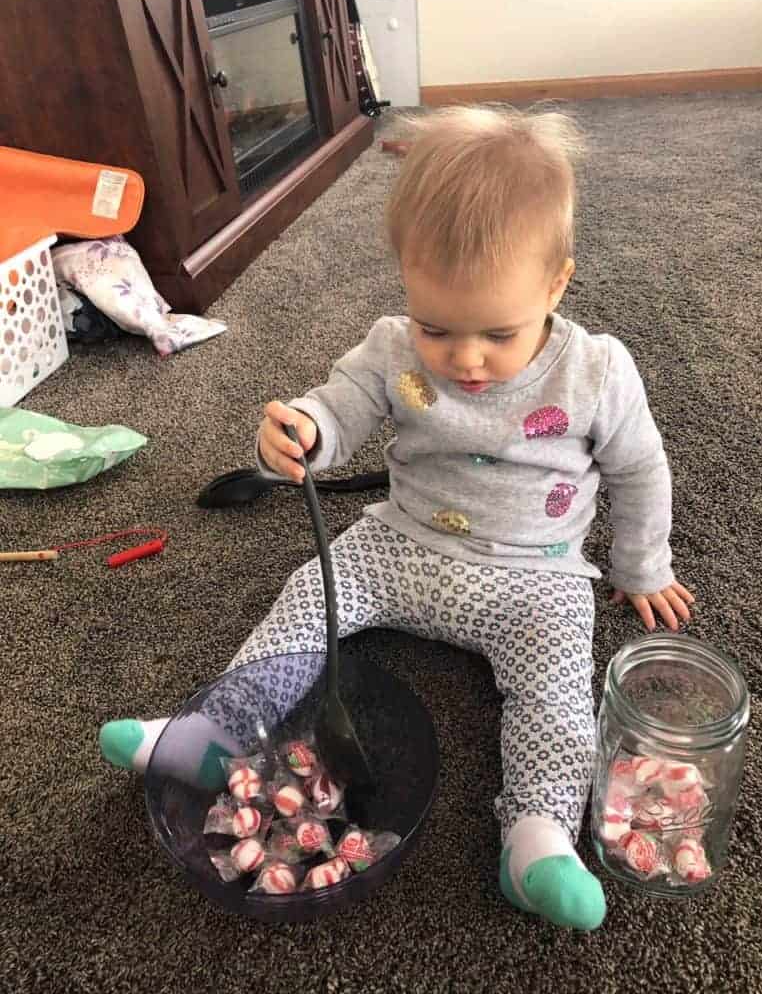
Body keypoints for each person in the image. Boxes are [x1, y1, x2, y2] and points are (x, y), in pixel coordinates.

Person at [100, 104, 694, 930]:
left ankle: (538, 836)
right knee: (310, 589)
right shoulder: (389, 345)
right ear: (406, 283)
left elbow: (638, 468)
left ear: (556, 283)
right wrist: (305, 431)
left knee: (558, 692)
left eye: (498, 331)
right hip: (399, 545)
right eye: (437, 327)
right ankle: (218, 730)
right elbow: (340, 406)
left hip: (537, 576)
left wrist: (643, 566)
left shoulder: (598, 371)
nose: (466, 358)